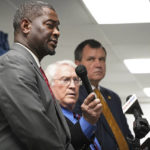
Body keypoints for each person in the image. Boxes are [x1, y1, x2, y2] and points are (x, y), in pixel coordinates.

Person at [0, 1, 74, 150]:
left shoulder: (32, 68)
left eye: (58, 27)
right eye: (50, 25)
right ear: (26, 26)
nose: (57, 32)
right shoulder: (13, 63)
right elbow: (38, 134)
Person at [73, 39, 134, 150]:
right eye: (91, 59)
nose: (98, 64)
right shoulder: (74, 95)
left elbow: (125, 134)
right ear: (78, 64)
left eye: (102, 59)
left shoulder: (113, 97)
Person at [45, 60, 102, 150]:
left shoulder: (81, 116)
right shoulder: (46, 117)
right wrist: (87, 121)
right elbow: (65, 146)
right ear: (49, 85)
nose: (72, 86)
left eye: (76, 80)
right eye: (65, 80)